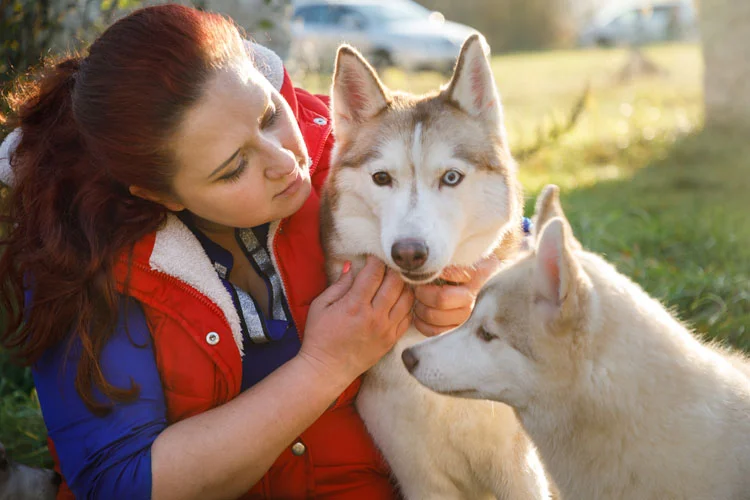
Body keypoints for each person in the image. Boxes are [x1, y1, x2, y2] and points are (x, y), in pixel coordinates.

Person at [0, 5, 502, 499]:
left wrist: (477, 275)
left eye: (267, 116)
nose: (287, 160)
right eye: (233, 167)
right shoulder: (79, 259)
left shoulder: (340, 145)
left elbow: (497, 212)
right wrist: (325, 366)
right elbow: (121, 484)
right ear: (160, 195)